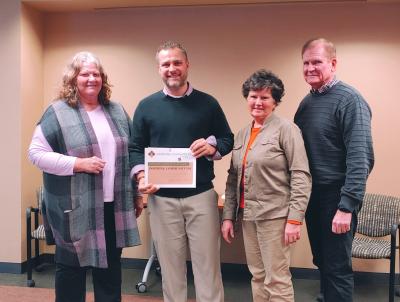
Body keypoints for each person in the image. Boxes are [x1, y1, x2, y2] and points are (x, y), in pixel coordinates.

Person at [28, 51, 142, 302]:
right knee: (71, 270)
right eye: (85, 73)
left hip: (114, 207)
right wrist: (78, 163)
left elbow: (132, 153)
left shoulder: (117, 111)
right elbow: (35, 154)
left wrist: (136, 194)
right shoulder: (57, 112)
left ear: (103, 79)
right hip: (74, 207)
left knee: (110, 272)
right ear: (73, 79)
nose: (92, 78)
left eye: (96, 73)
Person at [129, 41, 233, 302]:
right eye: (166, 64)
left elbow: (227, 139)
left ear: (187, 65)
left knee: (207, 266)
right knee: (170, 267)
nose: (172, 68)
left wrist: (211, 147)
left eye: (177, 63)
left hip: (201, 197)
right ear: (159, 69)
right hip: (161, 199)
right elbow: (134, 148)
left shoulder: (208, 103)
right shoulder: (146, 106)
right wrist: (142, 177)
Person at [294, 38, 374, 302]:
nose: (310, 68)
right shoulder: (306, 104)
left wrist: (346, 206)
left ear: (333, 63)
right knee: (323, 261)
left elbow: (360, 158)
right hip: (312, 196)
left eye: (316, 61)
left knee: (337, 266)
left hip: (336, 198)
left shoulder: (350, 100)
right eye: (306, 62)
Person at [221, 69, 312, 302]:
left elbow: (301, 175)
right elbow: (233, 180)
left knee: (277, 278)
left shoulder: (287, 130)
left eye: (265, 97)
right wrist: (228, 217)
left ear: (275, 101)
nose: (258, 102)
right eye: (253, 96)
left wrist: (294, 219)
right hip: (248, 216)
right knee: (258, 275)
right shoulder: (241, 134)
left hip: (276, 217)